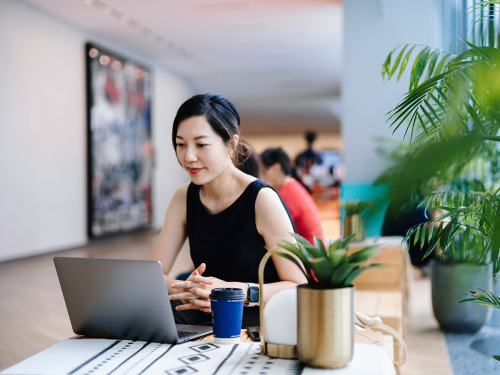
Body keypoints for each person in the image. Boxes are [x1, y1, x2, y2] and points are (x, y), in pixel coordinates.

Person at [149, 93, 306, 328]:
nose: (188, 156)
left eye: (201, 145)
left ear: (231, 144)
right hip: (204, 311)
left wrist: (230, 291)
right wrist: (194, 289)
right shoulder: (184, 196)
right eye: (181, 144)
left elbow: (298, 286)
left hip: (256, 315)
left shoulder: (262, 199)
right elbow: (151, 276)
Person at [260, 148, 324, 244]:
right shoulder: (293, 187)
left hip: (307, 256)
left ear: (276, 169)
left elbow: (277, 232)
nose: (260, 178)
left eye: (263, 172)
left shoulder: (285, 194)